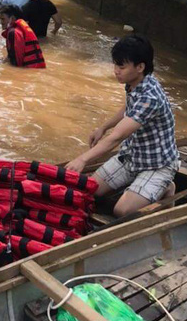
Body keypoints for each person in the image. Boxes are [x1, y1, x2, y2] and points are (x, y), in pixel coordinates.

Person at [65, 35, 179, 217]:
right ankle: (143, 188)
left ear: (140, 67)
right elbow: (128, 107)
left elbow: (117, 137)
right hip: (132, 157)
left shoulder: (150, 98)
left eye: (121, 66)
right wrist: (103, 127)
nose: (116, 71)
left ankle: (166, 186)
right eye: (115, 65)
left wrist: (83, 160)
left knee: (122, 211)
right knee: (88, 191)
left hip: (157, 165)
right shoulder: (136, 82)